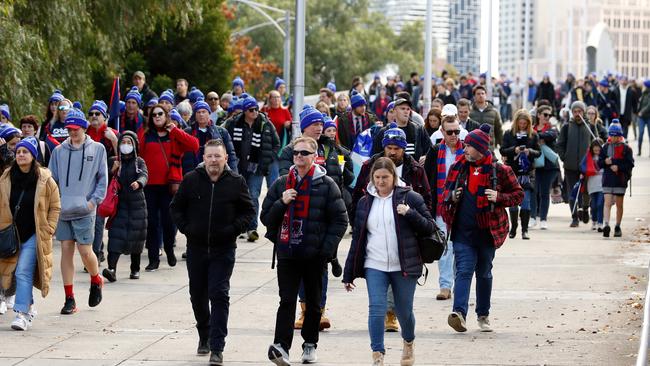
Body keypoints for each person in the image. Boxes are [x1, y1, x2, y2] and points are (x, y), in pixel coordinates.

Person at [261, 136, 348, 365]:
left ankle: (310, 344)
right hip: (288, 252)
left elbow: (340, 221)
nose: (299, 156)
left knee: (313, 301)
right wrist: (282, 203)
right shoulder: (282, 183)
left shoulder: (326, 183)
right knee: (287, 300)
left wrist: (325, 249)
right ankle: (281, 346)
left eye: (304, 153)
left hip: (314, 255)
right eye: (296, 153)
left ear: (314, 156)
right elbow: (266, 218)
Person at [343, 157, 435, 366]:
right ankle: (377, 354)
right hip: (374, 264)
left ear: (394, 177)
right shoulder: (365, 203)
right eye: (377, 177)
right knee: (376, 307)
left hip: (404, 265)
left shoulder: (410, 197)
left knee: (404, 311)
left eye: (385, 177)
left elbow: (429, 227)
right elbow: (358, 239)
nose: (381, 181)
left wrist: (410, 213)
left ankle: (408, 342)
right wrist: (349, 274)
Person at [171, 139, 255, 365]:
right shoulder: (191, 180)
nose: (214, 160)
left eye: (218, 156)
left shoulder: (236, 182)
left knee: (219, 294)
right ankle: (204, 334)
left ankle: (217, 346)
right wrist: (187, 229)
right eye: (210, 156)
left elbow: (248, 212)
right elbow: (176, 208)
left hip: (224, 249)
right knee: (197, 295)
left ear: (226, 158)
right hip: (196, 248)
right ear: (203, 158)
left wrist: (232, 230)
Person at [440, 124, 523, 333]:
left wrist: (500, 197)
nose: (464, 149)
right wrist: (453, 196)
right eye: (465, 145)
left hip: (488, 231)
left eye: (468, 146)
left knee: (484, 273)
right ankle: (458, 313)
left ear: (481, 148)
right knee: (464, 271)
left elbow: (518, 194)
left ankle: (483, 314)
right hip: (462, 232)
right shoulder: (458, 167)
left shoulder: (500, 170)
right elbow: (445, 195)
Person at [277, 107, 353, 331]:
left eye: (321, 124)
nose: (320, 127)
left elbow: (347, 176)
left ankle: (319, 309)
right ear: (304, 127)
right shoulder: (290, 151)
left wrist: (343, 159)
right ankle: (305, 309)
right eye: (314, 124)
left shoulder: (331, 149)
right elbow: (283, 179)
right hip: (300, 215)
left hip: (327, 214)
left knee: (322, 263)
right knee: (301, 263)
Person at [48, 108, 108, 315]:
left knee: (85, 251)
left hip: (85, 209)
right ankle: (69, 298)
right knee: (66, 249)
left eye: (76, 128)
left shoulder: (98, 149)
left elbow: (102, 178)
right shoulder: (58, 151)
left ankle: (95, 278)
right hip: (63, 209)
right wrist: (53, 204)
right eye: (69, 129)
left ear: (84, 127)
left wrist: (93, 202)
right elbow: (52, 180)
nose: (72, 132)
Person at [0, 137, 60, 330]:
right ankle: (29, 306)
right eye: (18, 152)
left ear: (33, 156)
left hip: (34, 234)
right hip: (12, 234)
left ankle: (22, 315)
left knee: (23, 272)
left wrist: (49, 228)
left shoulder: (45, 179)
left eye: (25, 152)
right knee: (13, 273)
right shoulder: (6, 177)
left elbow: (55, 206)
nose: (20, 155)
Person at [138, 105, 198, 271]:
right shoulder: (146, 135)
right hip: (149, 185)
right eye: (154, 115)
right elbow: (139, 156)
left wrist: (176, 131)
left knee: (168, 221)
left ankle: (169, 250)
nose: (157, 117)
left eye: (160, 114)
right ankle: (153, 258)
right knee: (151, 222)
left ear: (166, 116)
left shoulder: (174, 135)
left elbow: (194, 145)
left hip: (169, 186)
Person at [223, 94, 280, 242]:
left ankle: (252, 228)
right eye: (251, 110)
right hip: (237, 166)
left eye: (256, 109)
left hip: (257, 168)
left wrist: (266, 160)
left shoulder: (265, 124)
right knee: (236, 197)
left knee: (253, 196)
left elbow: (276, 144)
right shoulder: (233, 123)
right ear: (244, 111)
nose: (255, 112)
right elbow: (222, 138)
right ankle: (238, 225)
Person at [423, 112, 465, 301]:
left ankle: (460, 285)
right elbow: (427, 180)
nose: (454, 135)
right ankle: (445, 285)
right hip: (441, 206)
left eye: (457, 131)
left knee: (460, 248)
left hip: (463, 207)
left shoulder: (467, 151)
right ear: (442, 132)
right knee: (445, 247)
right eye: (450, 132)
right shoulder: (434, 152)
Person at [102, 131, 148, 282]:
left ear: (134, 145)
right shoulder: (115, 162)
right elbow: (106, 180)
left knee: (137, 238)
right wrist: (113, 170)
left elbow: (144, 175)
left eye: (129, 143)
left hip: (137, 206)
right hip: (119, 205)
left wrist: (139, 182)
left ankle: (135, 268)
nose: (126, 146)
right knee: (115, 237)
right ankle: (112, 269)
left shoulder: (139, 162)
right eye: (123, 142)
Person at [500, 109, 540, 240]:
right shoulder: (508, 134)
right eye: (520, 123)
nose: (522, 125)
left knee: (526, 202)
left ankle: (525, 230)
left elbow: (538, 152)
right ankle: (514, 228)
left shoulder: (533, 135)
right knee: (512, 203)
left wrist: (529, 151)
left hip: (527, 172)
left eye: (525, 123)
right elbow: (502, 150)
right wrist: (514, 150)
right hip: (512, 172)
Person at [86, 100, 118, 264]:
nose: (94, 117)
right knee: (88, 221)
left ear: (105, 117)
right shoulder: (84, 132)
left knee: (98, 220)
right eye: (91, 114)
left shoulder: (112, 134)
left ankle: (95, 253)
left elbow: (124, 156)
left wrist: (114, 141)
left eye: (97, 114)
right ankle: (95, 250)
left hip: (105, 182)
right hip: (86, 183)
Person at [557, 101, 594, 227]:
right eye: (575, 111)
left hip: (586, 166)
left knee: (585, 191)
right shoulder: (566, 127)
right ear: (572, 113)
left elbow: (596, 143)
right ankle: (574, 217)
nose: (577, 114)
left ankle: (585, 208)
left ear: (583, 112)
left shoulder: (590, 126)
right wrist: (564, 157)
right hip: (570, 165)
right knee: (572, 192)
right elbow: (560, 144)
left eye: (580, 111)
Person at [182, 98, 238, 175]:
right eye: (198, 112)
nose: (201, 114)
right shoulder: (187, 132)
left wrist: (234, 175)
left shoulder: (221, 132)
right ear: (195, 115)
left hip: (215, 173)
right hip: (193, 174)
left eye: (204, 112)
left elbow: (231, 155)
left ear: (209, 113)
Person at [600, 123, 635, 238]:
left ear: (620, 135)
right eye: (612, 135)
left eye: (616, 136)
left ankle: (617, 226)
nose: (613, 138)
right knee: (607, 202)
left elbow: (630, 164)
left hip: (620, 180)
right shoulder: (605, 147)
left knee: (619, 204)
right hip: (608, 179)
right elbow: (599, 163)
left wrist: (618, 166)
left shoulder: (626, 148)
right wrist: (605, 162)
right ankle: (606, 225)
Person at [530, 105, 560, 230]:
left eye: (549, 115)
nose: (547, 117)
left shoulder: (552, 128)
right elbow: (530, 138)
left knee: (544, 193)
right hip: (534, 166)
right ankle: (532, 217)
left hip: (548, 166)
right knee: (533, 192)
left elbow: (552, 135)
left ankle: (543, 219)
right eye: (545, 114)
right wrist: (540, 137)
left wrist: (538, 136)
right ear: (539, 115)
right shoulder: (532, 128)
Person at [580, 139, 604, 231]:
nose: (597, 151)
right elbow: (581, 166)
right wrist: (586, 171)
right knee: (593, 205)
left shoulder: (604, 156)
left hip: (602, 184)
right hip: (592, 184)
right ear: (592, 149)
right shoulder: (588, 156)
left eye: (599, 150)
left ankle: (600, 223)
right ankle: (594, 221)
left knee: (600, 204)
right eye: (595, 150)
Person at [637, 79, 650, 156]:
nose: (643, 86)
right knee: (641, 133)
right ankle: (639, 151)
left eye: (644, 85)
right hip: (641, 118)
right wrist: (638, 111)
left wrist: (642, 112)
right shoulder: (643, 93)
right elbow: (640, 104)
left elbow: (649, 105)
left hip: (648, 117)